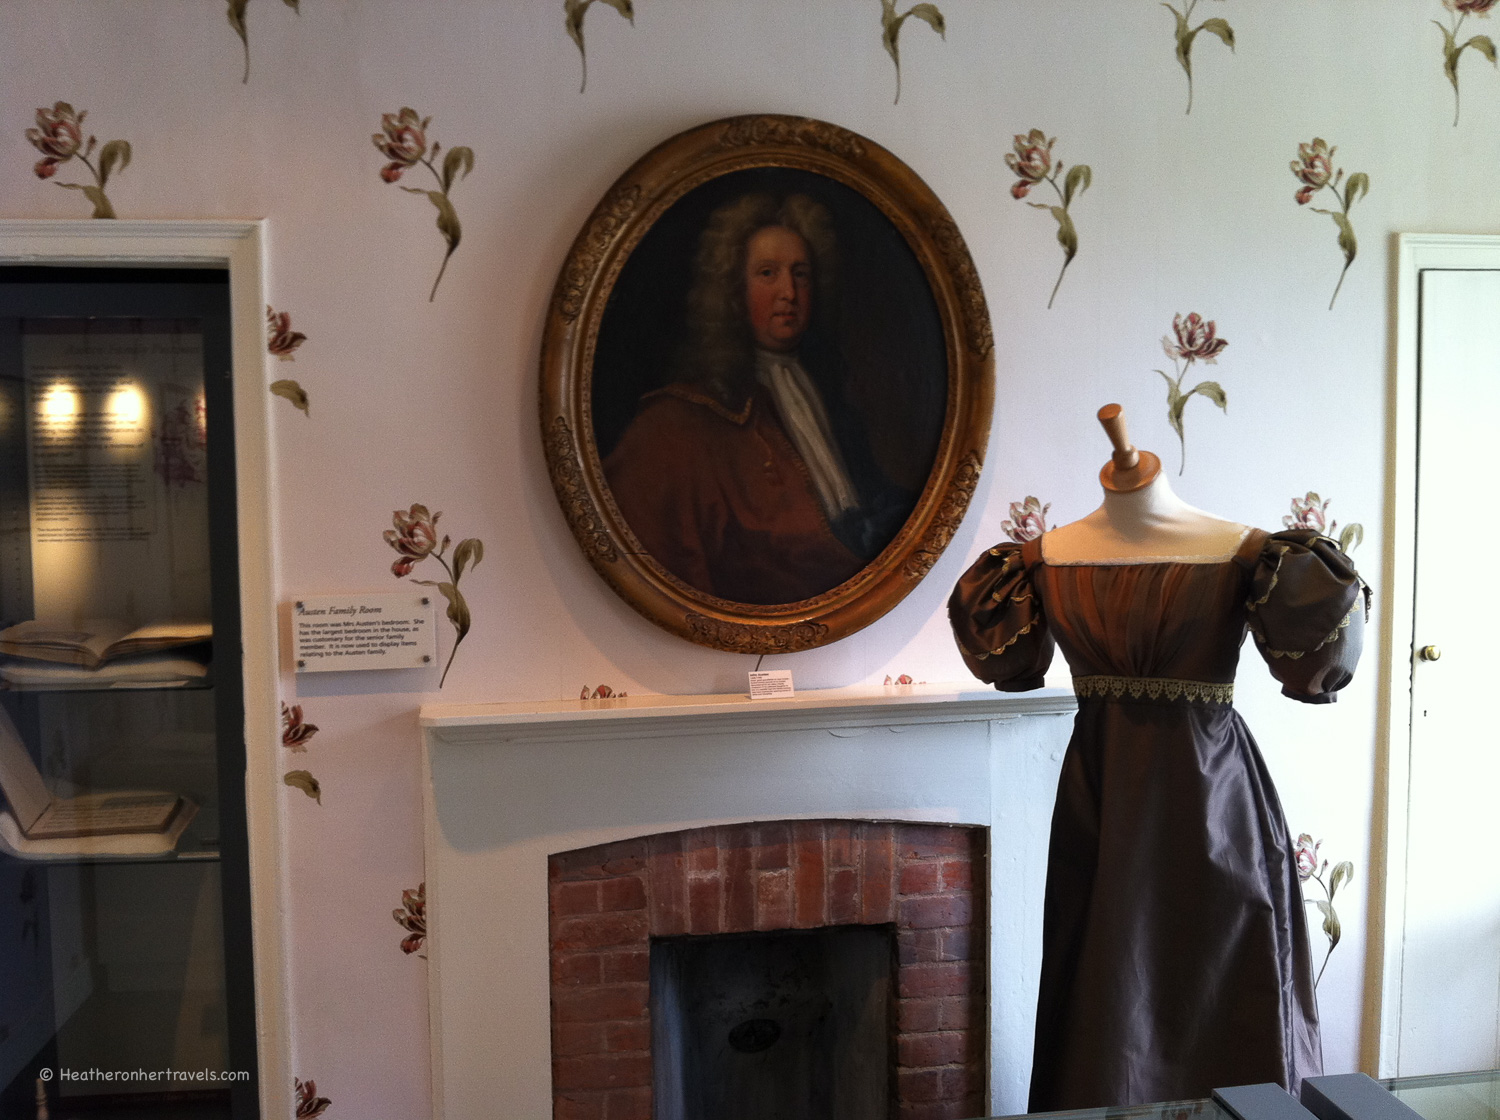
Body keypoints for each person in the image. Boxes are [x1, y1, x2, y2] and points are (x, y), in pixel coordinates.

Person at [948, 406, 1368, 1111]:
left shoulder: (1247, 552)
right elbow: (1009, 661)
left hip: (1208, 812)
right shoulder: (1038, 562)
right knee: (1108, 990)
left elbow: (1315, 664)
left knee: (1218, 983)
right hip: (1110, 810)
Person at [603, 192, 908, 605]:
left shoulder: (828, 392)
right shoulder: (678, 422)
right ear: (731, 287)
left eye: (800, 274)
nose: (789, 292)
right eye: (768, 273)